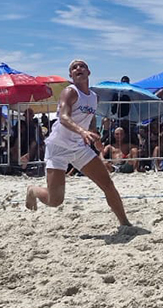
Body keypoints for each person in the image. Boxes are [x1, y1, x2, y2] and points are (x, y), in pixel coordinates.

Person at [26, 59, 130, 227]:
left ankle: (125, 223)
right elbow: (64, 117)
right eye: (74, 68)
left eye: (82, 66)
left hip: (79, 147)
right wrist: (82, 132)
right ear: (71, 75)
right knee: (55, 201)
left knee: (107, 184)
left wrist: (95, 139)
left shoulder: (94, 97)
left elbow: (90, 121)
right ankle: (33, 190)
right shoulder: (70, 92)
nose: (78, 68)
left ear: (89, 72)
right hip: (58, 147)